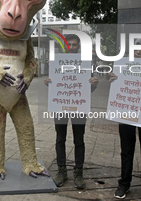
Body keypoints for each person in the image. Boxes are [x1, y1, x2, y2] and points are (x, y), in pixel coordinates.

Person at [44, 34, 99, 188]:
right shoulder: (56, 62)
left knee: (79, 140)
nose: (72, 47)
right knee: (60, 139)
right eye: (69, 45)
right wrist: (48, 82)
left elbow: (89, 89)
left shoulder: (85, 63)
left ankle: (78, 172)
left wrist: (94, 84)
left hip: (79, 107)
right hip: (60, 106)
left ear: (79, 46)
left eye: (74, 45)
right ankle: (62, 170)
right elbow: (55, 85)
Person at [112, 38, 141, 201]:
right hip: (126, 113)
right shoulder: (123, 67)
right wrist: (113, 79)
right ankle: (124, 184)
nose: (139, 52)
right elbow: (116, 86)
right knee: (126, 151)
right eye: (136, 50)